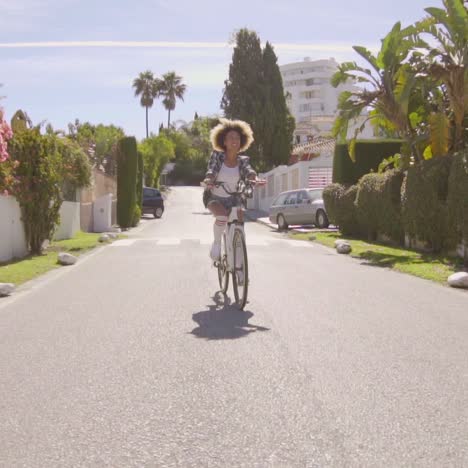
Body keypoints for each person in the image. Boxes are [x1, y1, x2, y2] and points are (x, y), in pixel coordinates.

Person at [203, 118, 262, 262]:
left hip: (234, 198)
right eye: (230, 138)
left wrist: (254, 178)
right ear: (224, 142)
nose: (234, 140)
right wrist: (209, 180)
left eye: (237, 138)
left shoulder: (243, 160)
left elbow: (249, 170)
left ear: (241, 142)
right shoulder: (217, 156)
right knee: (222, 217)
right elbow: (211, 169)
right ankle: (217, 244)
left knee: (240, 221)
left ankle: (238, 257)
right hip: (215, 197)